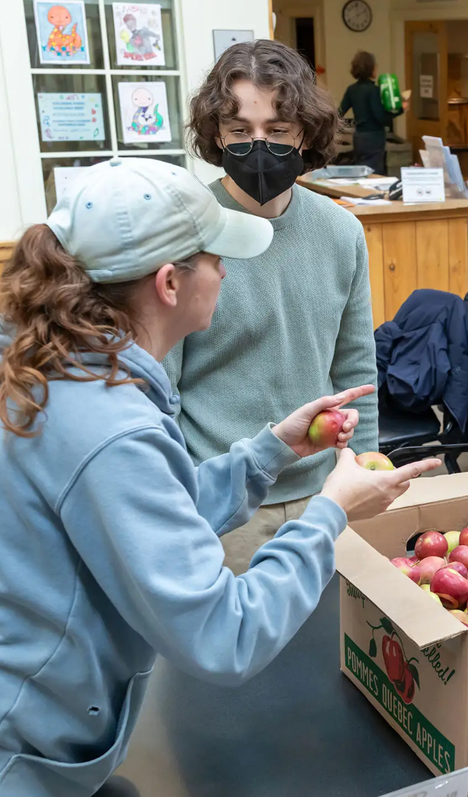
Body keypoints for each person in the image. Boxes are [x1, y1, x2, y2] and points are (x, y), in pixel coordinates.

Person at [0, 158, 439, 797]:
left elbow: (156, 512)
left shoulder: (66, 372)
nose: (225, 273)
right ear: (169, 284)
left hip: (28, 720)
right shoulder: (109, 423)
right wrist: (330, 512)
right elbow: (224, 635)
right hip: (10, 756)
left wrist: (269, 451)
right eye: (217, 259)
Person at [171, 39, 379, 574]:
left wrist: (362, 468)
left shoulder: (341, 231)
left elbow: (356, 365)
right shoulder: (185, 232)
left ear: (305, 132)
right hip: (219, 500)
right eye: (240, 131)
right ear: (217, 133)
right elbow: (159, 388)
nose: (258, 145)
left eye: (278, 130)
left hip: (324, 495)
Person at [339, 50, 404, 174]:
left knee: (361, 172)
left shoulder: (351, 90)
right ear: (371, 68)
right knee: (374, 173)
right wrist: (400, 109)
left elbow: (339, 113)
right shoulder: (374, 90)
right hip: (374, 138)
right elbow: (381, 118)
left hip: (358, 137)